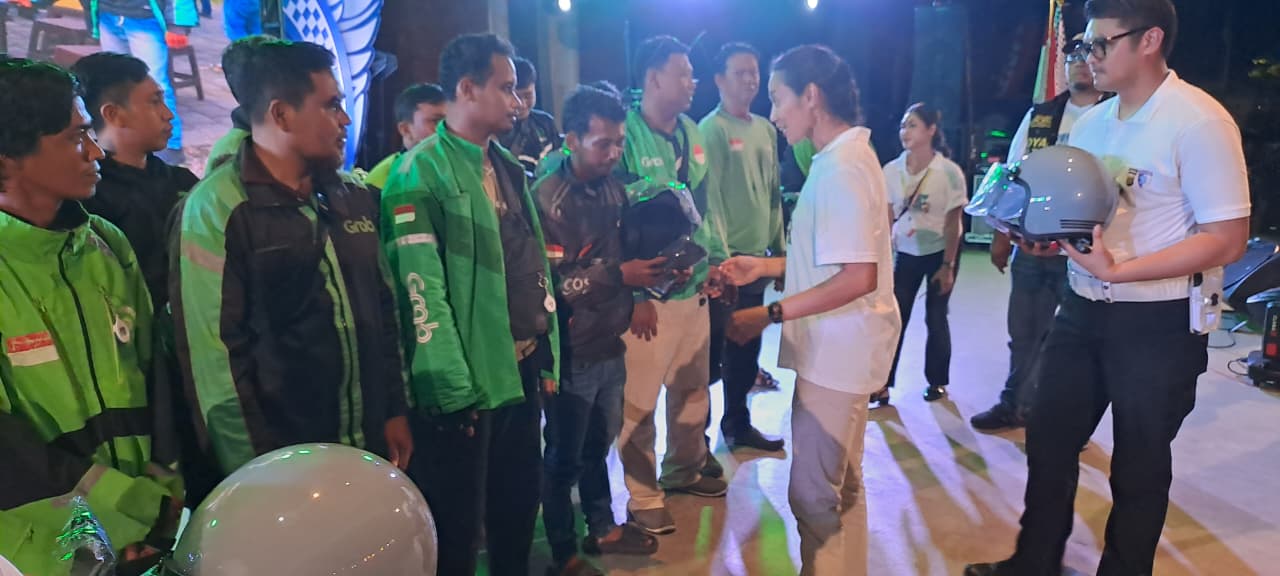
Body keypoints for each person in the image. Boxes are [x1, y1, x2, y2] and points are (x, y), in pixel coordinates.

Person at [965, 0, 1251, 574]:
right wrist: (1046, 237)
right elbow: (1085, 214)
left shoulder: (1199, 122)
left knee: (1138, 463)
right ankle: (1034, 562)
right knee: (1048, 435)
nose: (1087, 57)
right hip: (1081, 306)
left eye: (1100, 44)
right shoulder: (1093, 123)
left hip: (1158, 321)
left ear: (1149, 40)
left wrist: (1119, 271)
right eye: (1082, 45)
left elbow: (1227, 239)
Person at [171, 40, 413, 487]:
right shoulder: (219, 210)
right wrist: (258, 477)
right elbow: (217, 365)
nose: (345, 120)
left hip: (365, 445)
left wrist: (394, 408)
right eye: (332, 105)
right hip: (285, 463)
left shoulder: (348, 196)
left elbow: (382, 311)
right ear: (281, 114)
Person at [380, 33, 559, 576]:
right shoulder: (419, 171)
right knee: (456, 530)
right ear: (466, 88)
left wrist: (547, 352)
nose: (517, 101)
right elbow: (420, 288)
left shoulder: (504, 164)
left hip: (518, 368)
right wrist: (452, 392)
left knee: (516, 508)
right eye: (506, 88)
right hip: (467, 390)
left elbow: (530, 262)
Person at [719, 44, 899, 576]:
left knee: (813, 495)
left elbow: (857, 276)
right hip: (840, 350)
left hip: (837, 356)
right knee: (843, 485)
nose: (773, 113)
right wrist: (763, 266)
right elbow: (831, 260)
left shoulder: (843, 168)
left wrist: (768, 314)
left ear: (812, 96)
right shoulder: (843, 158)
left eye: (779, 98)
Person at [0, 59, 183, 575]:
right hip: (46, 553)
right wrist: (121, 515)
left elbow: (154, 372)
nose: (96, 151)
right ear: (8, 158)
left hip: (147, 531)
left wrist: (160, 500)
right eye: (75, 137)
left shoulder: (106, 243)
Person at [534, 83, 662, 576]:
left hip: (610, 341)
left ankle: (603, 527)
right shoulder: (550, 199)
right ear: (571, 140)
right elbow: (552, 285)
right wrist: (620, 275)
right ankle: (563, 551)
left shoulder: (614, 188)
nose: (614, 153)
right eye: (603, 143)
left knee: (599, 447)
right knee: (563, 456)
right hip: (569, 352)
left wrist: (648, 285)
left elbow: (625, 251)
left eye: (619, 142)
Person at [615, 35, 730, 536]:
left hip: (693, 289)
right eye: (682, 73)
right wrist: (637, 294)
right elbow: (614, 220)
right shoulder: (625, 134)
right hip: (647, 299)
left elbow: (706, 203)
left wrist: (716, 262)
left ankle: (683, 470)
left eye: (692, 74)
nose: (692, 83)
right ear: (652, 78)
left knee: (692, 390)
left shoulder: (691, 132)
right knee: (638, 402)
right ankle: (643, 497)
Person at [971, 32, 1110, 431]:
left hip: (1084, 255)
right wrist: (1002, 235)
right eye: (1072, 52)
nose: (1080, 59)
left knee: (1075, 344)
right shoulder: (1041, 116)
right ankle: (1014, 405)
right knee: (1024, 334)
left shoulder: (1113, 117)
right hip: (1032, 247)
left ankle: (1064, 420)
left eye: (1089, 50)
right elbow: (1012, 175)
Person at [698, 41, 786, 453]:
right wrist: (720, 258)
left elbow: (774, 192)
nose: (751, 80)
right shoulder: (711, 130)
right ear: (719, 79)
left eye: (755, 72)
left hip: (759, 262)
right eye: (740, 72)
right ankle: (695, 444)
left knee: (747, 347)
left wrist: (779, 252)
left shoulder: (766, 129)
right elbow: (710, 199)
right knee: (712, 355)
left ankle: (737, 424)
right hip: (727, 264)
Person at [72, 52, 199, 309]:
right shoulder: (91, 200)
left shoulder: (181, 181)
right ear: (113, 114)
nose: (168, 114)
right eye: (154, 102)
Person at [878, 102, 967, 405]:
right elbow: (886, 218)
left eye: (913, 125)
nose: (905, 131)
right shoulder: (891, 171)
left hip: (940, 252)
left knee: (936, 316)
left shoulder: (949, 173)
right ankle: (882, 383)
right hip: (905, 252)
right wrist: (883, 258)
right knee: (895, 318)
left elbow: (954, 223)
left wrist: (948, 265)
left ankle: (937, 380)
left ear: (931, 130)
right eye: (903, 125)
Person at [91, 0, 196, 164]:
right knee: (115, 84)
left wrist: (178, 23)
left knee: (155, 86)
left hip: (145, 16)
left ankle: (169, 147)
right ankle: (125, 141)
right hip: (106, 13)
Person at [364, 83, 446, 189]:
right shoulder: (383, 181)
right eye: (436, 121)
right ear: (405, 129)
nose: (447, 129)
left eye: (451, 121)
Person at [500, 56, 563, 176]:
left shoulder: (545, 123)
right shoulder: (499, 129)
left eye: (528, 96)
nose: (522, 104)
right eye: (516, 96)